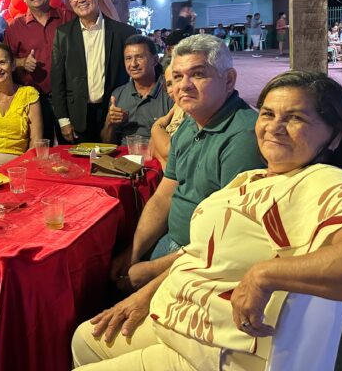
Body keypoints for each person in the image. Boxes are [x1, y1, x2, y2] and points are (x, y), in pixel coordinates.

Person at [72, 71, 342, 370]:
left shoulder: (323, 181)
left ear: (334, 137)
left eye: (295, 118)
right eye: (268, 114)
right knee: (85, 339)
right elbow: (204, 250)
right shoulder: (253, 178)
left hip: (216, 347)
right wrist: (146, 291)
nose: (275, 127)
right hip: (181, 313)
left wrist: (265, 275)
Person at [109, 35, 264, 286]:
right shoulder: (190, 122)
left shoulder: (243, 137)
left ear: (229, 80)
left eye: (198, 74)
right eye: (178, 76)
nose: (184, 86)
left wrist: (151, 272)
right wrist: (134, 252)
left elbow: (228, 240)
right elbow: (163, 197)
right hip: (173, 243)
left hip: (204, 263)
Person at [52, 0, 136, 144]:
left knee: (112, 160)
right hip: (77, 117)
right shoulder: (63, 34)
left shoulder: (123, 32)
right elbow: (57, 80)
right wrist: (63, 120)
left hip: (113, 114)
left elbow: (134, 74)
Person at [3, 0, 74, 143]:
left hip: (68, 97)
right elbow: (5, 61)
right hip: (35, 100)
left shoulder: (67, 18)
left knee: (72, 145)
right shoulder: (15, 28)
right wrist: (21, 62)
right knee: (41, 147)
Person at [101, 35, 172, 143]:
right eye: (128, 58)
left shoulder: (170, 92)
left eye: (139, 57)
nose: (133, 64)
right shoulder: (118, 94)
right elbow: (107, 143)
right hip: (125, 153)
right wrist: (109, 124)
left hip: (159, 152)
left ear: (155, 60)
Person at [148, 62, 186, 169]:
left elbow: (170, 153)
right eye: (169, 84)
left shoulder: (195, 111)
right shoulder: (177, 106)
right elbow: (151, 145)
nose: (174, 88)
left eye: (178, 79)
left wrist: (157, 127)